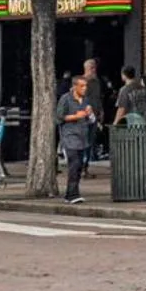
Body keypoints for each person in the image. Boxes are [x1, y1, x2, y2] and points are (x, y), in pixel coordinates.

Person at [57, 74, 96, 204]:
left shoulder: (86, 100)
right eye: (82, 86)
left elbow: (91, 120)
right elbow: (59, 117)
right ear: (74, 87)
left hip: (83, 137)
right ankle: (73, 194)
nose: (85, 88)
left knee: (79, 166)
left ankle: (70, 193)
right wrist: (75, 116)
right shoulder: (65, 99)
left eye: (86, 86)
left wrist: (90, 115)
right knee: (74, 164)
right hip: (70, 136)